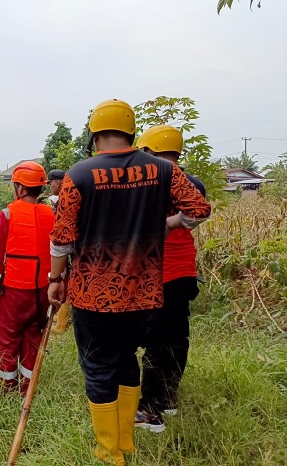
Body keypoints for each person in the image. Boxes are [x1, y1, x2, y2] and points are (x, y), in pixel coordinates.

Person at [48, 99, 211, 465]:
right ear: (131, 131)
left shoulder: (81, 173)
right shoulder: (162, 170)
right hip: (145, 293)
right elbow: (199, 208)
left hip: (93, 296)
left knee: (99, 368)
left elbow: (61, 238)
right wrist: (166, 225)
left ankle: (109, 453)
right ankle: (126, 444)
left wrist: (55, 278)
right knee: (126, 362)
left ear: (95, 134)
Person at [134, 125, 206, 433]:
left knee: (155, 342)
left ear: (149, 151)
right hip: (184, 272)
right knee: (177, 337)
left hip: (154, 273)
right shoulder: (194, 184)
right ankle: (169, 396)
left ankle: (149, 410)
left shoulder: (148, 183)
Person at [0, 161, 55, 396]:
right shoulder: (50, 214)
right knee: (33, 339)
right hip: (42, 292)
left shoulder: (7, 215)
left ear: (20, 188)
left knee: (8, 341)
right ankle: (27, 391)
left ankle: (7, 391)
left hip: (14, 294)